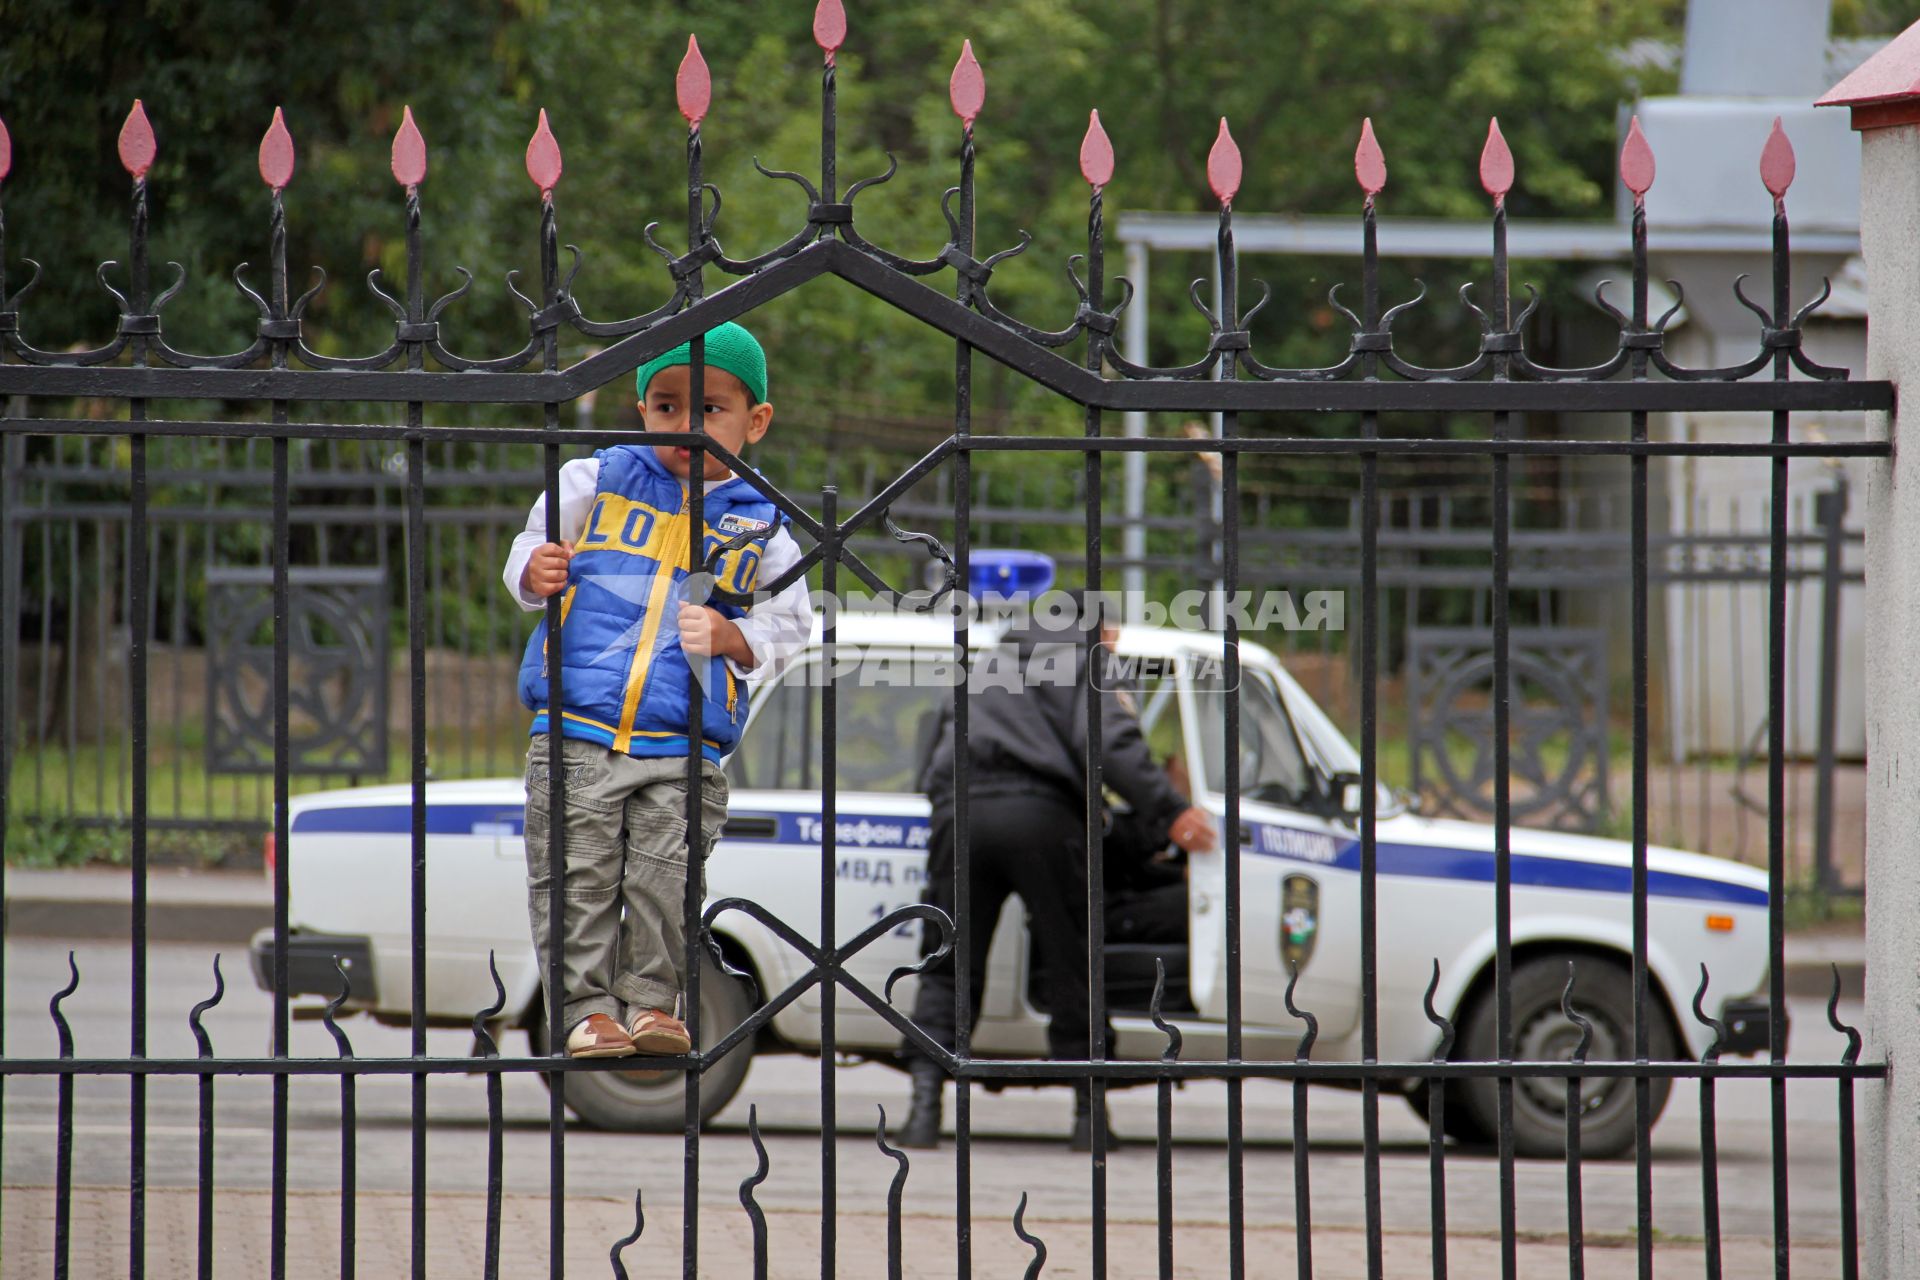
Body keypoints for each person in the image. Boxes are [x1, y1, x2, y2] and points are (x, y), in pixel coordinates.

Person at [503, 321, 812, 1059]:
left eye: (710, 410)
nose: (686, 426)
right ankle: (583, 1011)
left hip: (684, 738)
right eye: (667, 407)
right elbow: (532, 545)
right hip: (577, 726)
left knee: (665, 880)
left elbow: (794, 625)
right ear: (642, 410)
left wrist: (736, 638)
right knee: (575, 877)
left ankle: (651, 1004)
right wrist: (533, 573)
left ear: (754, 421)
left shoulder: (763, 524)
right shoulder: (597, 478)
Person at [897, 592, 1217, 1150]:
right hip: (1044, 816)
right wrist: (1170, 812)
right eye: (1112, 632)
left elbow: (931, 752)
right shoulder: (1089, 660)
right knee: (1073, 964)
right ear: (1097, 629)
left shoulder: (987, 664)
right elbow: (1110, 744)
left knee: (949, 962)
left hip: (963, 812)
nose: (1115, 642)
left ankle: (923, 1111)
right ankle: (1088, 1118)